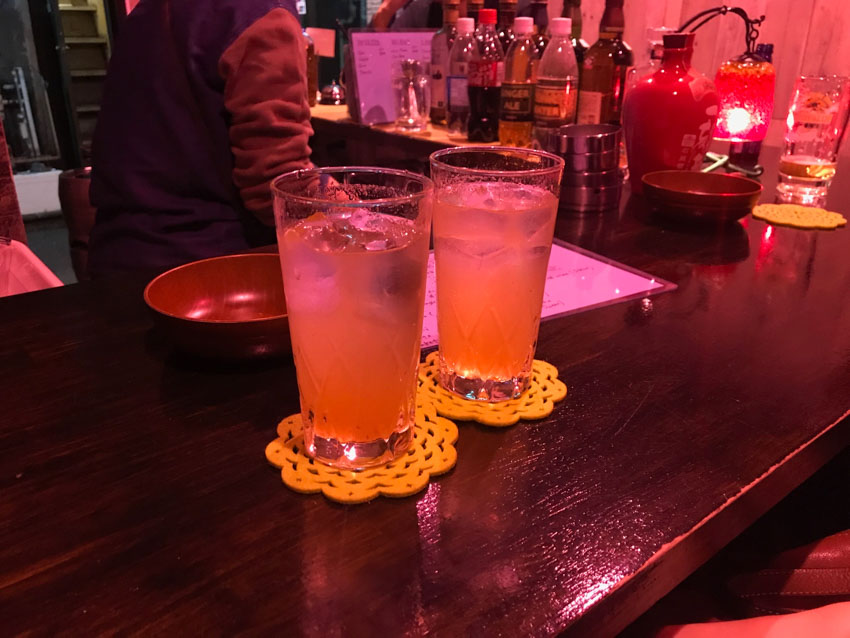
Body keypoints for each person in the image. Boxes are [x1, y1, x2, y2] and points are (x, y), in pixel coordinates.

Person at [88, 0, 312, 275]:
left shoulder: (151, 10)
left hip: (114, 257)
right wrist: (360, 212)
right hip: (207, 270)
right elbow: (277, 188)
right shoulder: (263, 13)